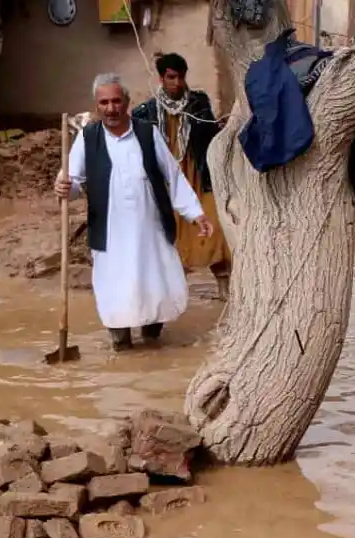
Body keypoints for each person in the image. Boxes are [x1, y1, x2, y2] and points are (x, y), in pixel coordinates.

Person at [53, 73, 213, 351]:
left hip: (149, 228)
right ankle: (121, 341)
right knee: (115, 287)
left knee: (153, 283)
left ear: (127, 102)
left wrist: (195, 213)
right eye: (104, 102)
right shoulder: (87, 138)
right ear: (96, 105)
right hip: (110, 230)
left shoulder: (147, 132)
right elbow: (73, 181)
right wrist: (64, 187)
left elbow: (172, 175)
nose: (111, 108)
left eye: (116, 101)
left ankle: (152, 338)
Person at [131, 53, 232, 300]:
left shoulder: (198, 104)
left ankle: (224, 289)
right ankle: (172, 295)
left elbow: (210, 136)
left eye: (180, 77)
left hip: (198, 176)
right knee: (170, 237)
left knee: (214, 229)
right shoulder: (146, 111)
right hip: (166, 183)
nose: (176, 83)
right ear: (161, 79)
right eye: (171, 77)